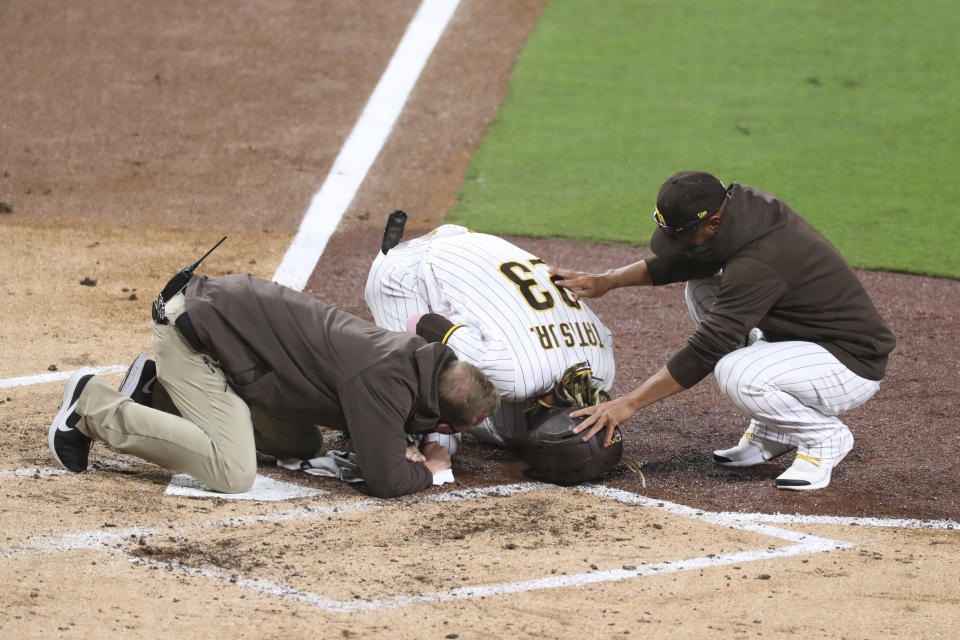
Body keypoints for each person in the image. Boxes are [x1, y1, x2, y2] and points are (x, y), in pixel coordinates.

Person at [551, 171, 895, 490]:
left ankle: (825, 437)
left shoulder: (759, 259)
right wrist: (608, 281)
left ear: (714, 221)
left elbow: (707, 348)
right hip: (803, 344)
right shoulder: (737, 218)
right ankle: (775, 430)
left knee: (736, 373)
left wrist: (629, 403)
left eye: (684, 235)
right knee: (701, 287)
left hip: (848, 363)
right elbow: (689, 260)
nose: (680, 244)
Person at [48, 272, 500, 499]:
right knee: (233, 470)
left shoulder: (414, 361)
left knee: (300, 441)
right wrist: (432, 469)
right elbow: (385, 478)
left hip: (230, 338)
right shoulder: (382, 381)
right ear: (441, 417)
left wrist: (398, 439)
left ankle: (157, 393)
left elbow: (382, 424)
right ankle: (92, 407)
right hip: (196, 333)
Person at [364, 223, 616, 450]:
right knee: (435, 431)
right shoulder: (514, 376)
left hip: (475, 244)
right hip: (406, 270)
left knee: (512, 431)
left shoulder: (604, 372)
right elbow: (425, 325)